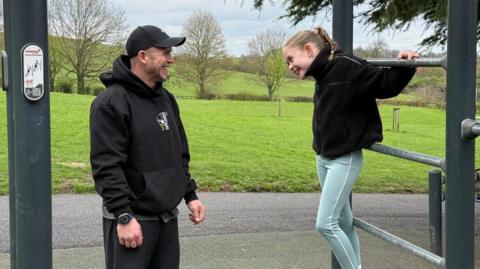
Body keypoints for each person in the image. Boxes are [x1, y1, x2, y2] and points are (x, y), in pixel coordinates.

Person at [282, 26, 418, 269]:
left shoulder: (346, 66)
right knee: (343, 223)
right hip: (323, 158)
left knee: (325, 224)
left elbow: (384, 83)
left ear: (309, 49)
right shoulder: (323, 73)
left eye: (291, 59)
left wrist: (406, 66)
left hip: (344, 160)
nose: (290, 66)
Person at [90, 25, 206, 269]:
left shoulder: (167, 99)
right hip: (133, 221)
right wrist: (123, 215)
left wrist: (190, 194)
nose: (171, 59)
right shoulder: (110, 103)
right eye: (165, 52)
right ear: (143, 56)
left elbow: (179, 154)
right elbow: (106, 165)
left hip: (167, 219)